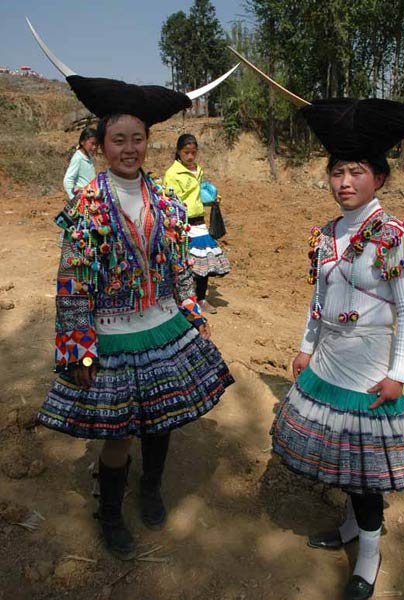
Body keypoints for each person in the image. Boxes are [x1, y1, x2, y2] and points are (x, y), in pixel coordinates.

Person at [37, 72, 234, 560]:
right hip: (111, 334)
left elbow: (179, 266)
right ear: (101, 146)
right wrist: (77, 349)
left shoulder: (166, 202)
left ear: (149, 143)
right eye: (118, 140)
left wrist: (191, 310)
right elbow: (73, 283)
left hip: (163, 325)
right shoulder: (85, 206)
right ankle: (109, 512)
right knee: (118, 432)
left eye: (138, 139)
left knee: (161, 421)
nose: (129, 148)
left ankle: (151, 488)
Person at [271, 99, 404, 600]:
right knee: (343, 460)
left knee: (365, 478)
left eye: (356, 172)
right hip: (327, 365)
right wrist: (305, 347)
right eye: (337, 172)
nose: (344, 182)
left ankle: (368, 555)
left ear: (378, 179)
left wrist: (399, 374)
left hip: (369, 372)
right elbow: (318, 298)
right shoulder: (326, 234)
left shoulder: (393, 238)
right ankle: (346, 531)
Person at [163, 134, 230, 314]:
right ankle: (184, 298)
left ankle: (200, 299)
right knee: (185, 264)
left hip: (199, 223)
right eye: (186, 152)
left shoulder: (197, 170)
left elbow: (198, 194)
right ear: (179, 152)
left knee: (205, 263)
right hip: (182, 224)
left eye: (193, 152)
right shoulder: (172, 174)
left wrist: (211, 198)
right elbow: (169, 200)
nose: (190, 156)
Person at [63, 126, 97, 199]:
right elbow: (68, 180)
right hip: (82, 199)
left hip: (90, 197)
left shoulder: (89, 157)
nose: (94, 147)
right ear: (82, 142)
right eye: (92, 143)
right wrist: (74, 199)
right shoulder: (78, 158)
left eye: (96, 145)